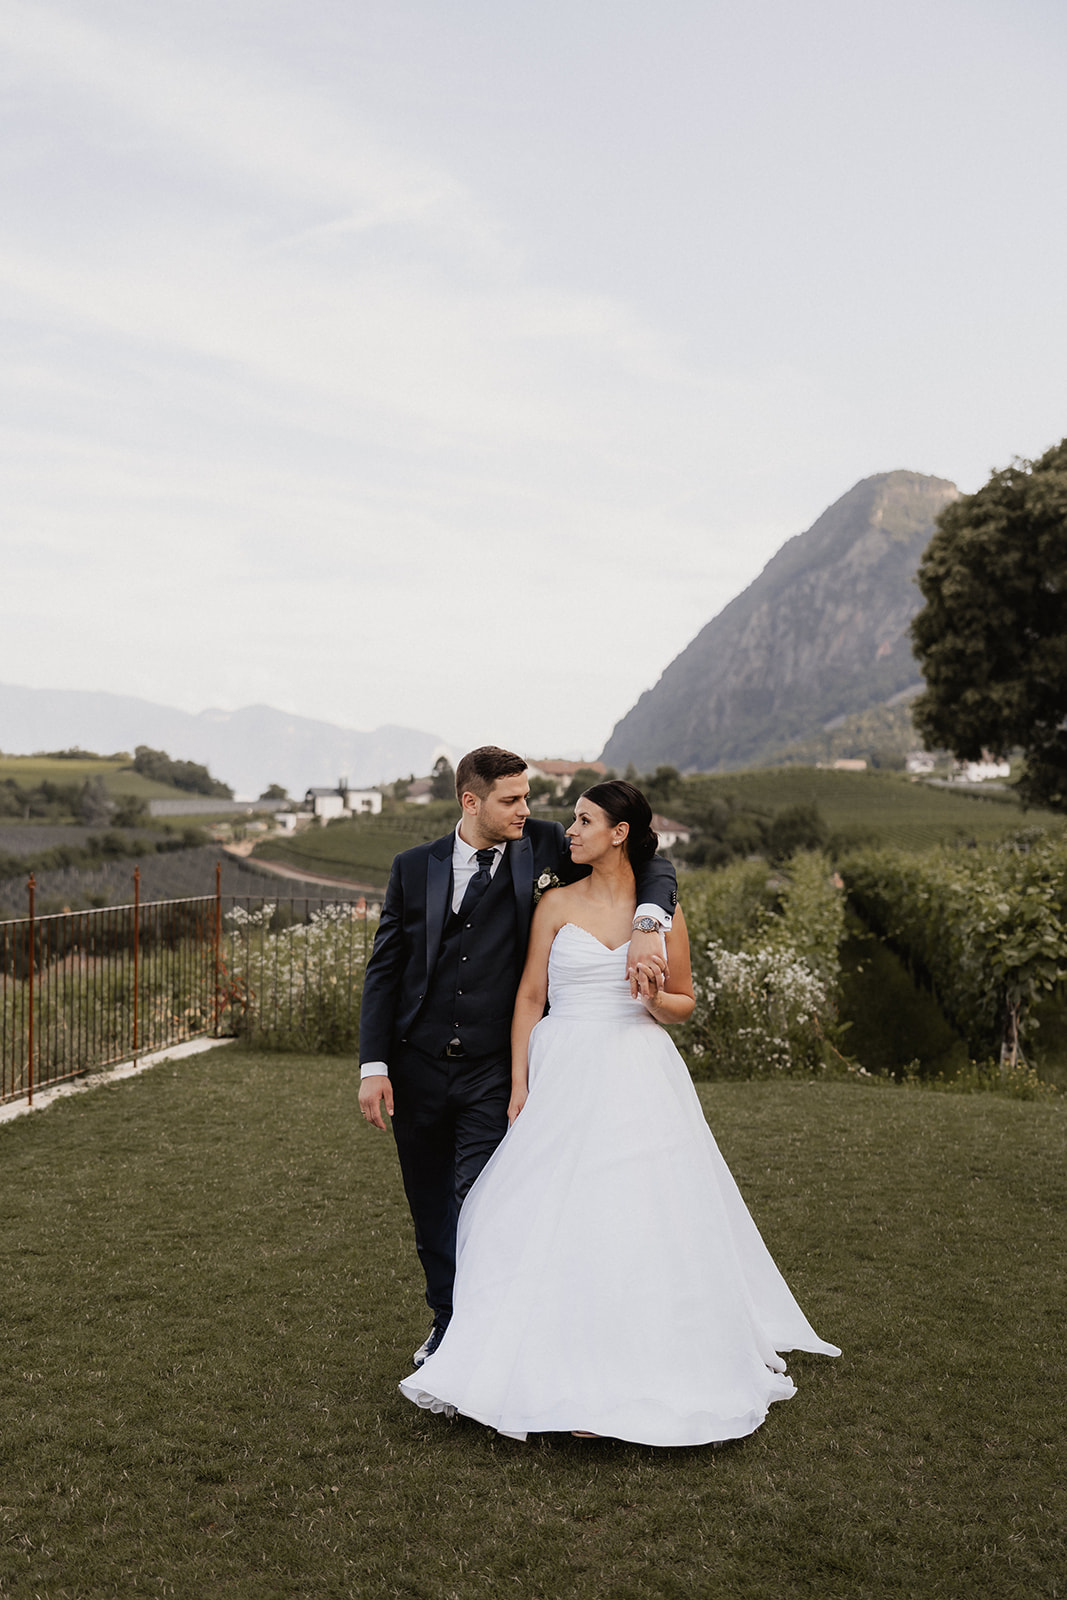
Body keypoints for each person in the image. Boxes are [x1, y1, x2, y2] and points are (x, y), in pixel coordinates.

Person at [400, 780, 840, 1446]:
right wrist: (519, 1084)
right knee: (541, 1209)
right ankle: (535, 1359)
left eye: (584, 820)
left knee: (637, 1212)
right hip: (563, 1064)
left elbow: (685, 1001)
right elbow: (528, 998)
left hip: (637, 1067)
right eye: (571, 819)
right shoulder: (554, 902)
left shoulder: (658, 912)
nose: (568, 829)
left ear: (619, 832)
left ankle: (635, 1360)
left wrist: (654, 998)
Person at [358, 749, 677, 1367]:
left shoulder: (544, 844)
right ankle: (447, 1319)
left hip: (492, 1068)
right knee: (429, 1210)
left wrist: (647, 919)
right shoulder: (411, 867)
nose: (526, 810)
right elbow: (385, 971)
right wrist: (375, 1067)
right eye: (512, 800)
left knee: (482, 1200)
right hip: (417, 1066)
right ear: (470, 802)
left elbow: (648, 860)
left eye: (527, 798)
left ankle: (480, 1329)